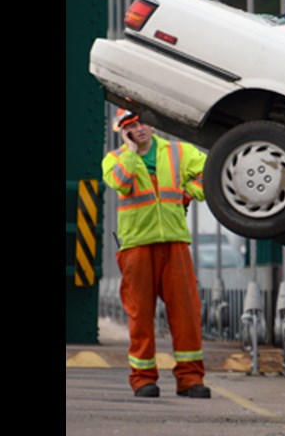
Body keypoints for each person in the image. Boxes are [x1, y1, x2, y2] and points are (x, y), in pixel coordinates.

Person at [102, 109, 212, 399]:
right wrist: (129, 151)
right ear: (123, 131)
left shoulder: (178, 152)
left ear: (153, 124)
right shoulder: (114, 159)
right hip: (136, 246)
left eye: (141, 122)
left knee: (187, 314)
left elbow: (210, 171)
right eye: (130, 126)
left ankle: (190, 380)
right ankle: (143, 379)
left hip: (174, 243)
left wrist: (188, 191)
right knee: (140, 316)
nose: (138, 129)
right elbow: (120, 182)